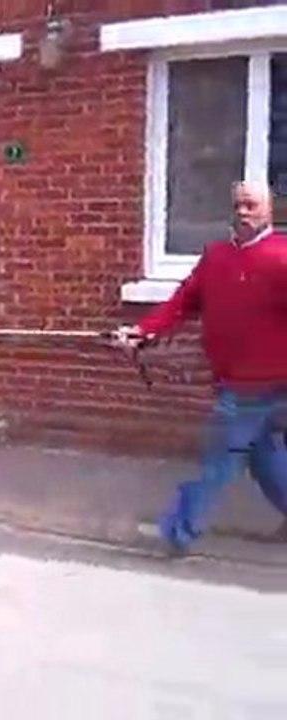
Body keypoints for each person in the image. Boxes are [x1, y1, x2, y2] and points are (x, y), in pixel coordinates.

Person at [113, 180, 287, 553]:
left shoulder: (282, 258)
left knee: (220, 460)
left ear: (269, 211)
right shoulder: (216, 256)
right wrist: (143, 331)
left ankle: (178, 531)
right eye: (238, 205)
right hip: (232, 381)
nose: (243, 212)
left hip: (257, 387)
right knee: (263, 455)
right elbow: (182, 303)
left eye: (252, 206)